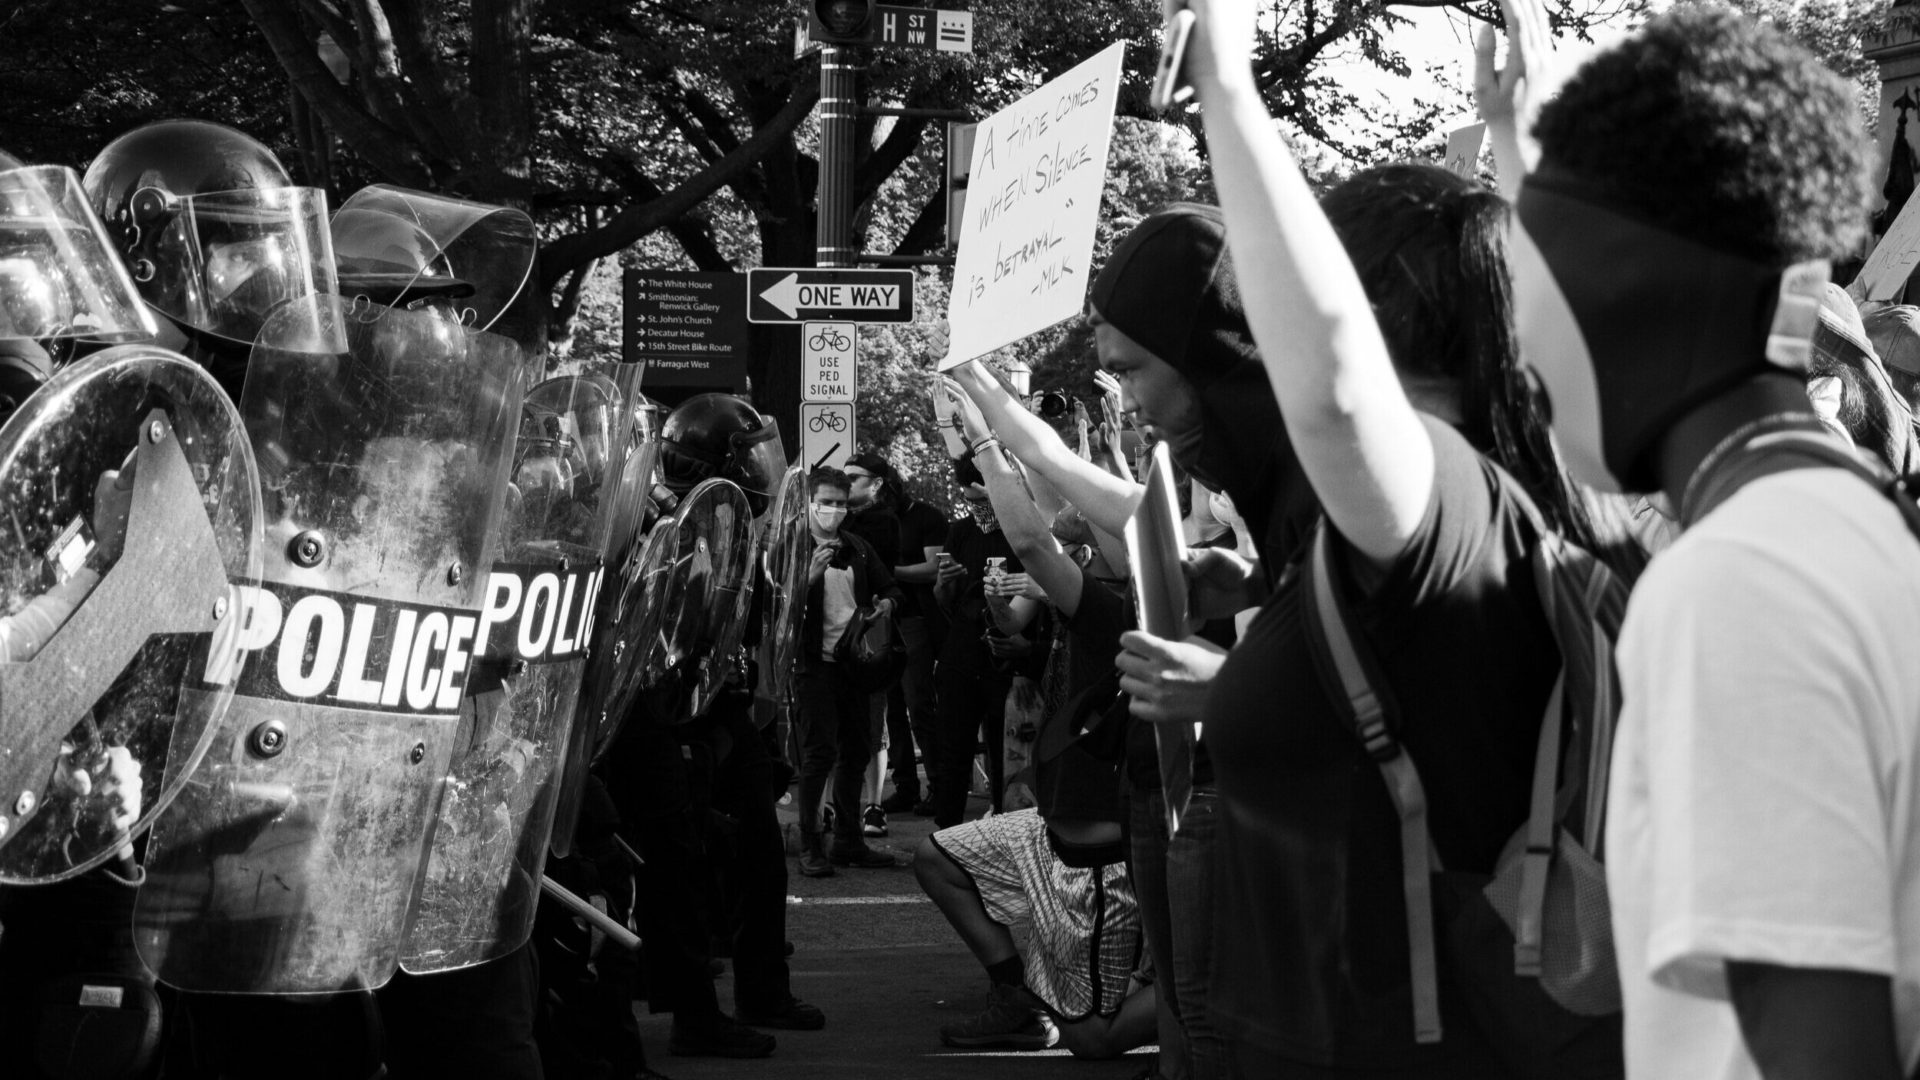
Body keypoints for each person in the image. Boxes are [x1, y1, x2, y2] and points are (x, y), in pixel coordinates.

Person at [1115, 4, 1647, 1076]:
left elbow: (1344, 400)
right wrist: (1520, 144)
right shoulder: (1551, 485)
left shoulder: (1452, 500)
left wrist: (1226, 90)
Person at [1492, 5, 1920, 1077]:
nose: (1517, 344)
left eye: (1523, 282)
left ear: (1623, 284)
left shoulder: (1737, 584)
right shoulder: (1843, 525)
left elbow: (1820, 1044)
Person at [914, 383, 1152, 1060]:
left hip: (1101, 858)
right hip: (1051, 826)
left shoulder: (1120, 610)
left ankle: (1215, 992)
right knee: (937, 856)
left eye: (1098, 520)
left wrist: (988, 442)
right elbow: (1058, 505)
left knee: (1092, 1039)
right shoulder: (1109, 590)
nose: (1076, 518)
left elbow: (1032, 533)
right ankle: (1019, 994)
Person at [792, 464, 904, 877]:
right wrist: (808, 577)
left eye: (840, 504)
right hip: (812, 664)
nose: (833, 510)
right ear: (809, 503)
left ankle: (848, 839)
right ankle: (810, 845)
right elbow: (773, 604)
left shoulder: (856, 546)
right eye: (825, 503)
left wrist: (888, 603)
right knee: (819, 753)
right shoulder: (793, 545)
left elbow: (890, 587)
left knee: (856, 751)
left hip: (854, 663)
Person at [876, 457, 949, 818]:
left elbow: (934, 568)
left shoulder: (926, 517)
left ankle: (939, 784)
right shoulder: (873, 519)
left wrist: (888, 573)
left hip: (916, 619)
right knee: (892, 707)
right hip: (882, 620)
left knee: (919, 702)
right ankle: (906, 785)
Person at [840, 451, 904, 838]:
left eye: (853, 479)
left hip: (867, 631)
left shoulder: (881, 523)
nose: (845, 488)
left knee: (872, 722)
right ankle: (833, 808)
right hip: (836, 629)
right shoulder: (847, 520)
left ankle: (874, 805)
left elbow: (877, 576)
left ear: (876, 484)